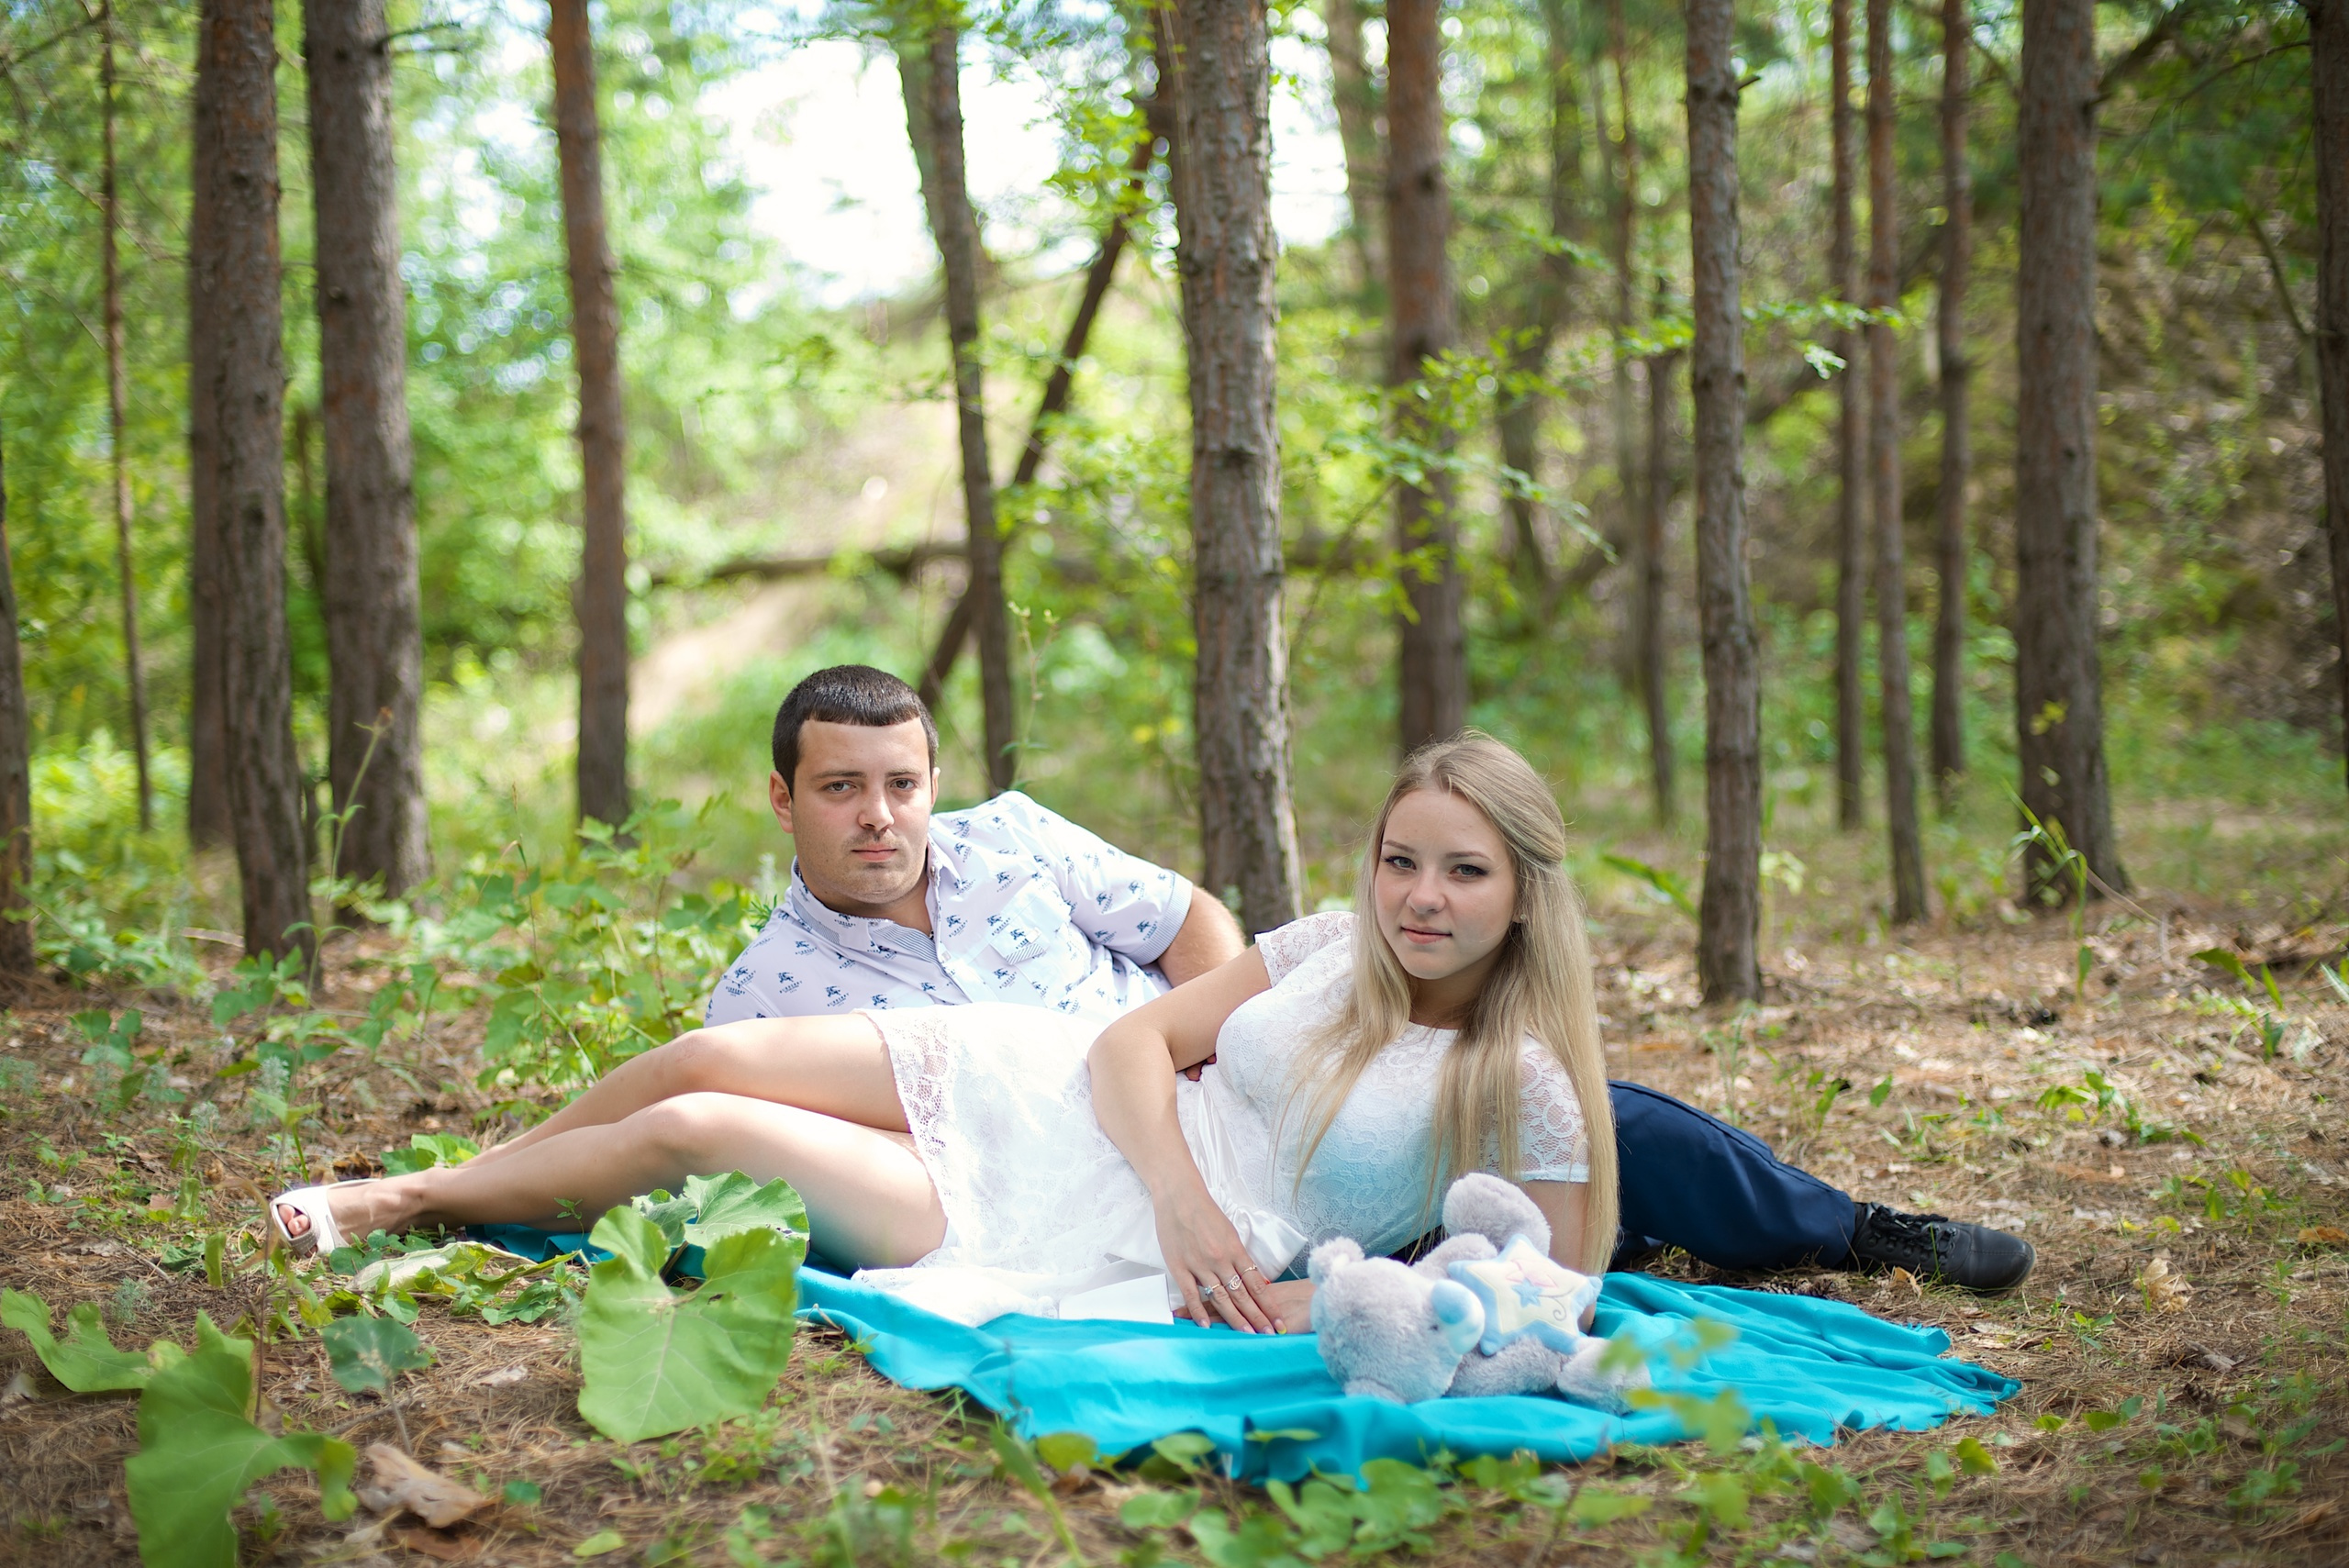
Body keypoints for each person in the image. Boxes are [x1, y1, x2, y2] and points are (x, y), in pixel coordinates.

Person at [702, 666, 2032, 1294]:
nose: (879, 816)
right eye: (842, 789)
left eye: (899, 784)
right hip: (1046, 1164)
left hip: (1196, 1089)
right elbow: (796, 1145)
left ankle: (1853, 1226)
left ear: (931, 779)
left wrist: (1228, 1041)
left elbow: (1184, 926)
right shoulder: (772, 991)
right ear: (788, 799)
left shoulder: (1010, 844)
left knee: (1584, 1117)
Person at [270, 734, 1616, 1337]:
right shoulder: (1329, 944)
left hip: (1094, 1221)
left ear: (1525, 892)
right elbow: (1131, 1045)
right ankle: (433, 1180)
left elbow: (1549, 1289)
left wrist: (1312, 1296)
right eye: (1400, 861)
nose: (1419, 899)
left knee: (692, 1133)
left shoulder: (1524, 1080)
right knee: (706, 1058)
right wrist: (1185, 1190)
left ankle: (412, 1201)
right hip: (1073, 1096)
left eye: (1463, 873)